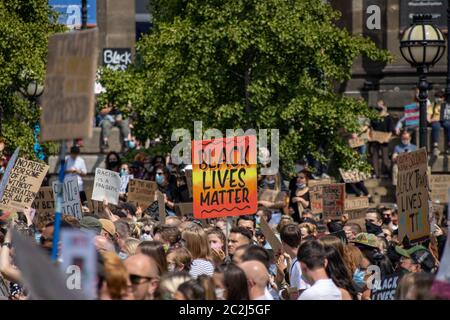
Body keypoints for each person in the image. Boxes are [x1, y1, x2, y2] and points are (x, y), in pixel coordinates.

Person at [279, 223, 309, 297]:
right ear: (301, 238)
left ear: (282, 242)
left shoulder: (298, 264)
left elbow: (302, 293)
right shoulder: (298, 260)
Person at [369, 99, 394, 178]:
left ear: (384, 106)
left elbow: (391, 130)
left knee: (385, 156)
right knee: (375, 156)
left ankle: (385, 172)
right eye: (378, 105)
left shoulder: (388, 117)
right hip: (375, 138)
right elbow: (371, 126)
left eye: (381, 105)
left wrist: (388, 138)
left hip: (384, 138)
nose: (379, 106)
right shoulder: (375, 117)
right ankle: (376, 173)